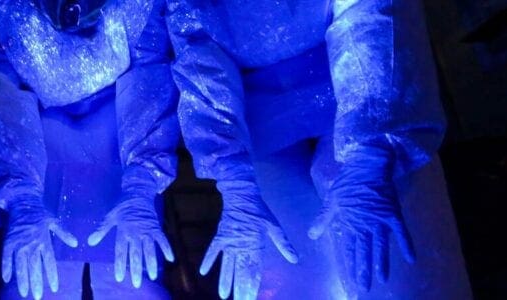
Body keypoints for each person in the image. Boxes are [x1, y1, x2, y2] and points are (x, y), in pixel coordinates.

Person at [165, 0, 472, 298]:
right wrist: (232, 173)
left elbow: (371, 12)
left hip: (362, 86)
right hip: (258, 118)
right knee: (289, 266)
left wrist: (371, 152)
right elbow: (196, 41)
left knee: (396, 269)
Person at [0, 0, 179, 298]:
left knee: (130, 276)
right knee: (38, 277)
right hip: (34, 143)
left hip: (123, 133)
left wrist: (142, 182)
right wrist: (21, 194)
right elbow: (0, 85)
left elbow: (149, 70)